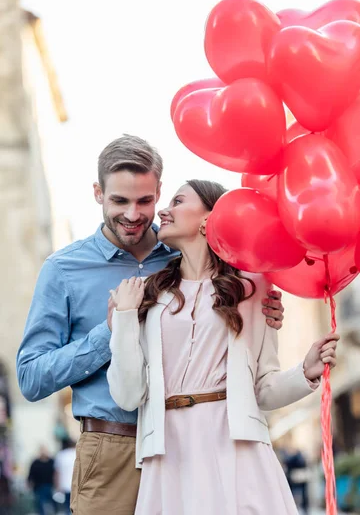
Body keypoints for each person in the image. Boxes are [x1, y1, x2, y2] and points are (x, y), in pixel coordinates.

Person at [17, 135, 285, 515]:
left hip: (187, 449)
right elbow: (30, 378)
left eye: (144, 201)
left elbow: (233, 309)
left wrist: (269, 313)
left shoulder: (186, 251)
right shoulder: (63, 270)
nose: (132, 214)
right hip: (113, 449)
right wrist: (107, 333)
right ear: (98, 193)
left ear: (158, 191)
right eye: (119, 201)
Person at [107, 179, 340, 515]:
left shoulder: (253, 288)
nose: (163, 210)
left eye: (177, 201)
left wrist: (305, 371)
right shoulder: (144, 292)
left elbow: (263, 389)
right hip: (167, 451)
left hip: (236, 445)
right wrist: (127, 318)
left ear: (208, 219)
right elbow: (128, 395)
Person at [27, 446, 56, 515]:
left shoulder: (52, 461)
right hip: (39, 486)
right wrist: (29, 483)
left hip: (50, 485)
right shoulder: (35, 462)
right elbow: (31, 474)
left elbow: (56, 473)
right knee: (40, 503)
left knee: (52, 503)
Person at [54, 439, 76, 513]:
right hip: (77, 485)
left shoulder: (61, 455)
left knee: (67, 507)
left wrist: (57, 486)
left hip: (65, 485)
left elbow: (57, 472)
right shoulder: (77, 453)